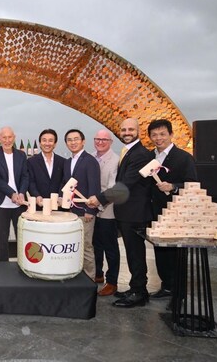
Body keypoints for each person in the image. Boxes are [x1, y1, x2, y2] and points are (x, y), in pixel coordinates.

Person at [87, 118, 153, 308]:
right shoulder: (129, 151)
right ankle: (135, 288)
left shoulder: (140, 154)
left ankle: (139, 292)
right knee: (132, 253)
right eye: (124, 129)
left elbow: (125, 184)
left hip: (134, 212)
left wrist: (100, 199)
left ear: (138, 131)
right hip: (127, 212)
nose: (126, 132)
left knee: (135, 253)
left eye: (131, 129)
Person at [147, 119, 197, 302]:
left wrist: (173, 186)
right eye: (154, 135)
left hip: (176, 214)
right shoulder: (149, 158)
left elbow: (193, 184)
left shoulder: (183, 157)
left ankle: (179, 293)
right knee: (160, 251)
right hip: (155, 212)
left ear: (171, 134)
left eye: (162, 134)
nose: (158, 138)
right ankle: (166, 286)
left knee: (176, 254)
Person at [61, 129, 100, 280]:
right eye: (69, 140)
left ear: (83, 141)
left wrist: (90, 209)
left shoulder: (90, 161)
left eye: (76, 139)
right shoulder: (67, 162)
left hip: (85, 212)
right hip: (70, 212)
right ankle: (76, 277)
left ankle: (90, 280)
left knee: (86, 246)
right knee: (73, 246)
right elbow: (65, 184)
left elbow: (94, 186)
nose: (73, 142)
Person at [0, 126, 29, 261]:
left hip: (20, 203)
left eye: (9, 137)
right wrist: (12, 194)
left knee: (22, 237)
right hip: (0, 203)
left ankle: (23, 264)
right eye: (4, 137)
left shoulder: (21, 155)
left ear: (14, 137)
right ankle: (2, 267)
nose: (7, 140)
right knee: (2, 239)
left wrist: (21, 193)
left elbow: (25, 176)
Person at [91, 129, 120, 296]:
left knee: (110, 247)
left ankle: (112, 281)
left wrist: (99, 204)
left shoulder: (116, 160)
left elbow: (113, 188)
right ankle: (98, 273)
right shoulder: (91, 157)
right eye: (97, 139)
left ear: (111, 142)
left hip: (108, 209)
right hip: (92, 208)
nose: (100, 142)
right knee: (95, 244)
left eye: (104, 140)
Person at [27, 129, 65, 208]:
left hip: (58, 206)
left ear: (55, 144)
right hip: (39, 205)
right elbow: (31, 182)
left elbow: (64, 182)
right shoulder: (31, 162)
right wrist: (37, 195)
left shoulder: (63, 162)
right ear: (40, 143)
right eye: (44, 140)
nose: (47, 143)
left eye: (50, 141)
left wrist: (60, 196)